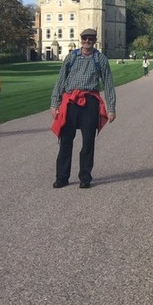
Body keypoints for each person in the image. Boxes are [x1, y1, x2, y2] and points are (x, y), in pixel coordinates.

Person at [50, 28, 116, 189]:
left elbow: (108, 83)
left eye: (91, 39)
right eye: (85, 38)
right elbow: (60, 79)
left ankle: (85, 177)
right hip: (71, 101)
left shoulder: (100, 59)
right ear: (81, 39)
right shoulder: (71, 57)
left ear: (95, 41)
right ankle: (62, 177)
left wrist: (111, 108)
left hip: (90, 102)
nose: (87, 42)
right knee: (66, 141)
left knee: (88, 141)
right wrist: (54, 103)